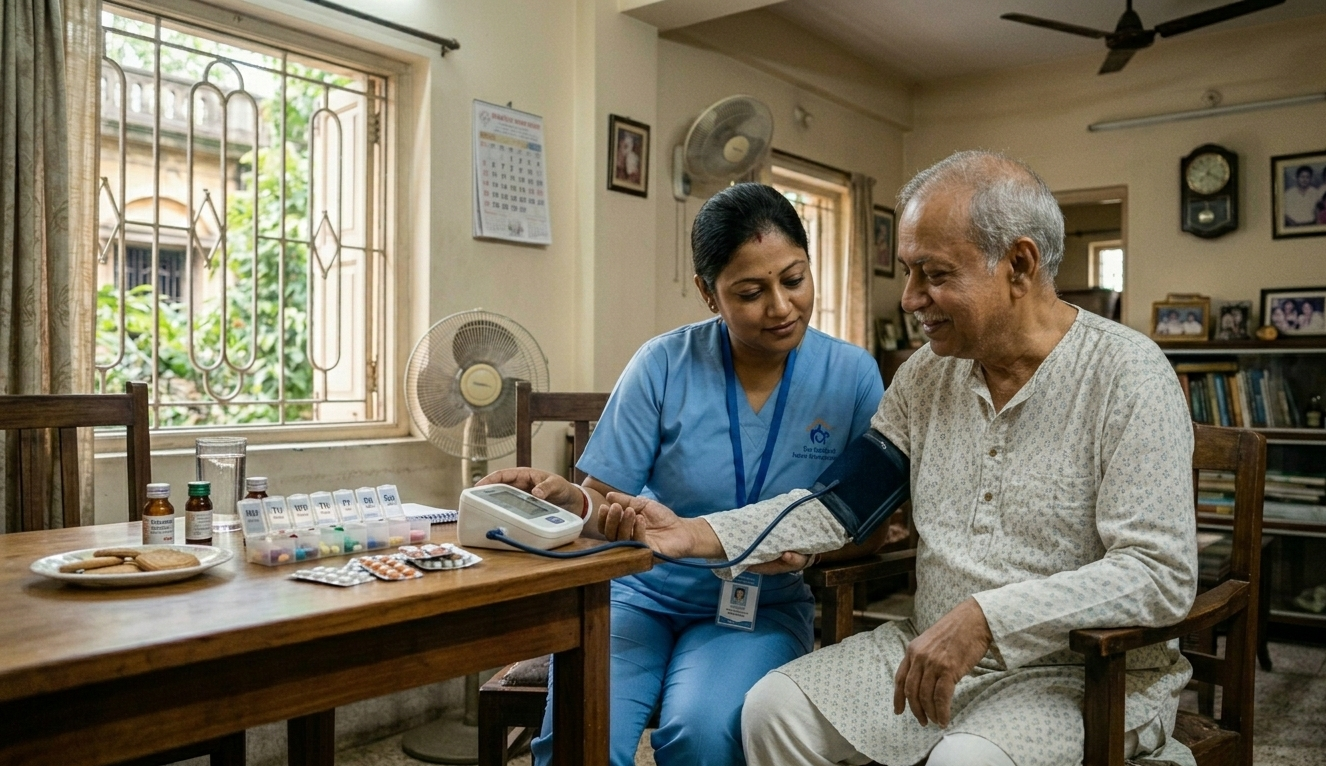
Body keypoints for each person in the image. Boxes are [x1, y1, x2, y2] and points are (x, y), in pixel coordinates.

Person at [596, 151, 1199, 766]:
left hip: (1079, 669)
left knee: (965, 762)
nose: (910, 299)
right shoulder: (927, 374)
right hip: (925, 648)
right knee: (772, 709)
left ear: (1019, 264)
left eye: (932, 274)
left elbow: (1158, 572)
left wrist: (987, 619)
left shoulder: (1128, 375)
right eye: (909, 272)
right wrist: (697, 532)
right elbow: (841, 504)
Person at [478, 182, 888, 766]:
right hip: (639, 593)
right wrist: (567, 499)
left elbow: (869, 521)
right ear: (707, 293)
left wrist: (813, 554)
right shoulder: (663, 364)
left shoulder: (851, 377)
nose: (780, 306)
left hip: (761, 608)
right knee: (583, 728)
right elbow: (601, 503)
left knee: (701, 732)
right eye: (750, 292)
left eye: (793, 280)